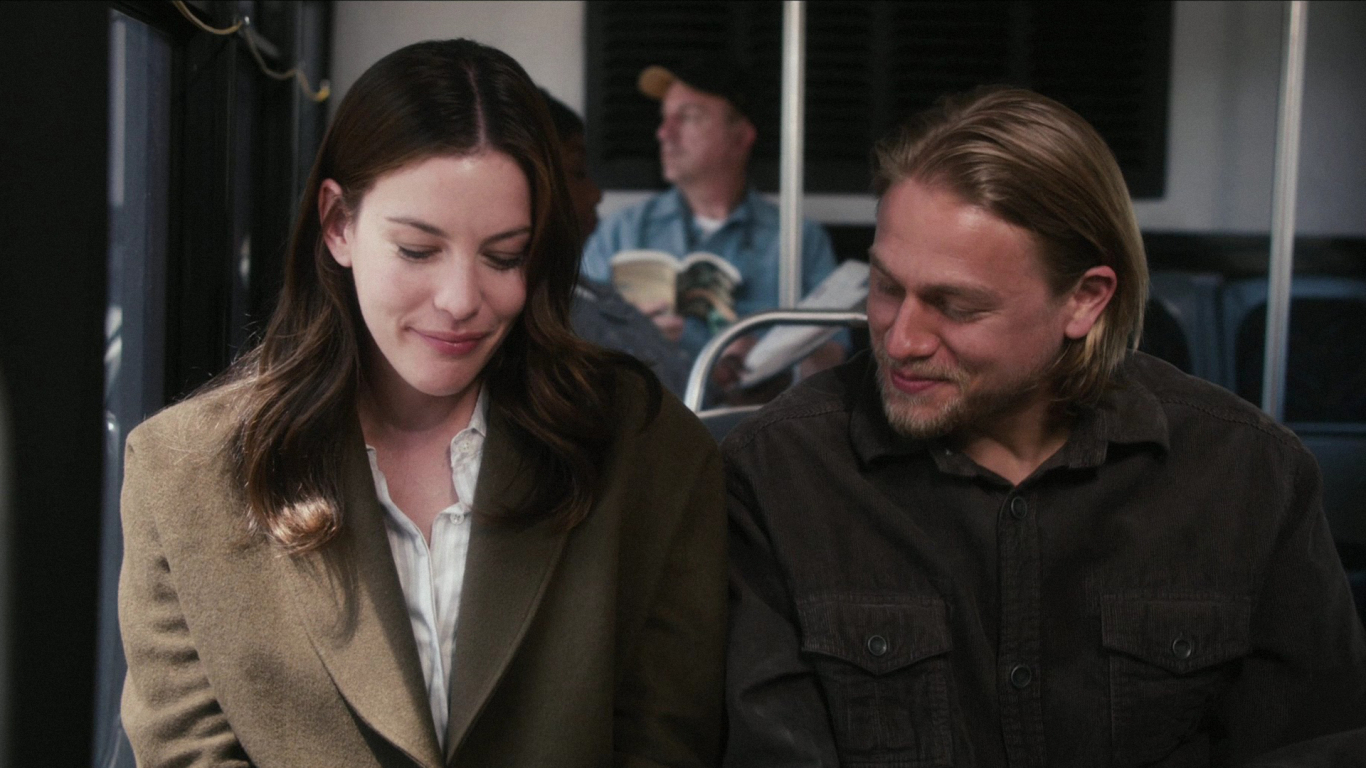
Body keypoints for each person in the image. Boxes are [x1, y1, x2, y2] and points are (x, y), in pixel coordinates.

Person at [118, 39, 725, 767]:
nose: (462, 300)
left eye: (505, 256)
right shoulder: (182, 472)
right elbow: (188, 750)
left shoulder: (647, 450)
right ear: (338, 224)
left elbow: (669, 738)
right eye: (417, 249)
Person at [723, 87, 1366, 767]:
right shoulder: (780, 472)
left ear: (1084, 300)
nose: (902, 339)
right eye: (886, 288)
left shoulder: (1249, 474)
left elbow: (1315, 744)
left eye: (956, 306)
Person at [581, 56, 845, 386]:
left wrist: (769, 359)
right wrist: (631, 337)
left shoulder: (799, 238)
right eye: (664, 118)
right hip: (649, 414)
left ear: (741, 137)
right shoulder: (620, 231)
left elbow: (835, 358)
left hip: (755, 415)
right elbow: (571, 342)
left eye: (688, 117)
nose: (664, 133)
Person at [538, 88, 691, 397]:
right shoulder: (565, 318)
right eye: (578, 173)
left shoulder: (591, 293)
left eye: (688, 118)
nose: (597, 194)